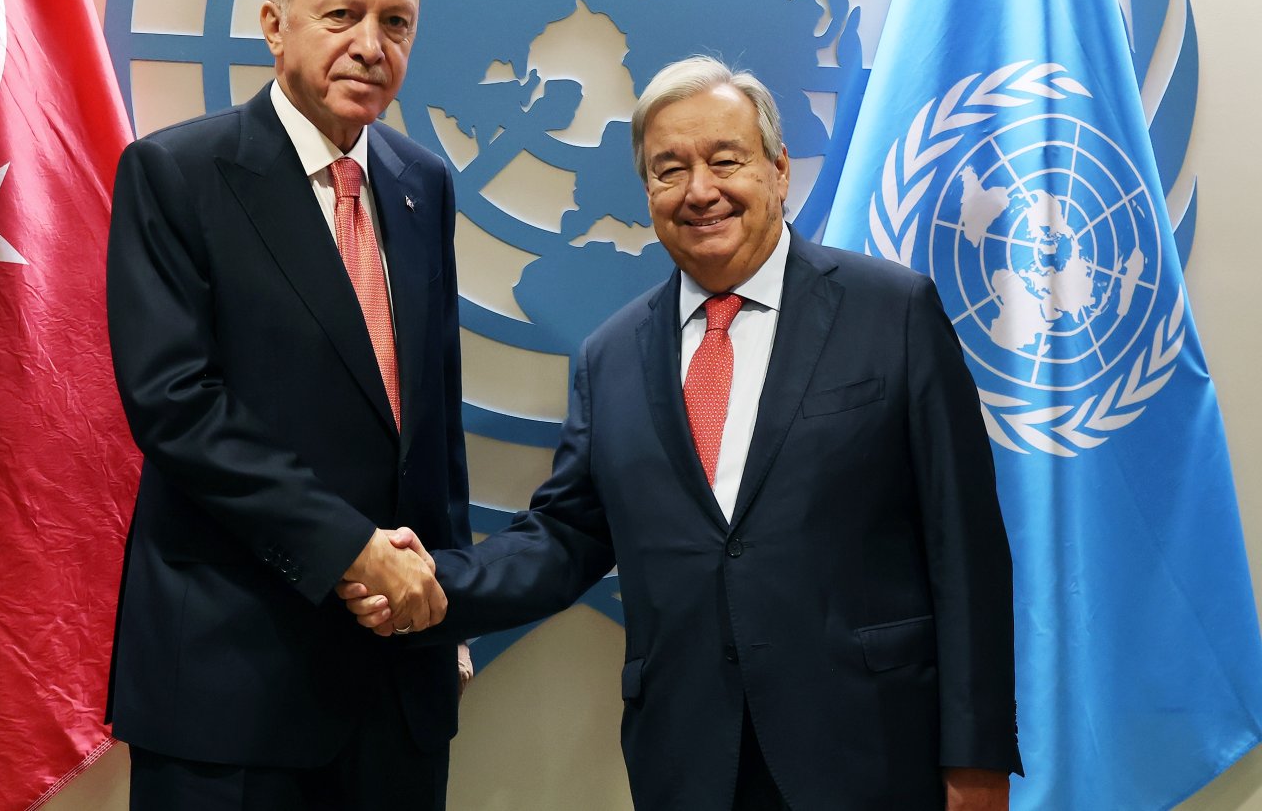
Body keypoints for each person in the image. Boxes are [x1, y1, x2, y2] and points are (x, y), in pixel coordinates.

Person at [344, 57, 1021, 810]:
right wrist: (432, 586)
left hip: (872, 753)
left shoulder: (891, 313)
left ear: (778, 169)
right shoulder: (612, 356)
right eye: (670, 170)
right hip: (691, 761)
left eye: (725, 160)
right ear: (648, 193)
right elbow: (565, 538)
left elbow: (967, 553)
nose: (701, 191)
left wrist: (977, 759)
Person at [104, 0, 470, 810]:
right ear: (275, 26)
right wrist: (350, 549)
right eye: (342, 14)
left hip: (395, 683)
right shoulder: (176, 174)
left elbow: (433, 424)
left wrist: (449, 601)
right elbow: (177, 408)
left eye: (396, 23)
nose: (370, 45)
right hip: (233, 683)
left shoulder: (424, 183)